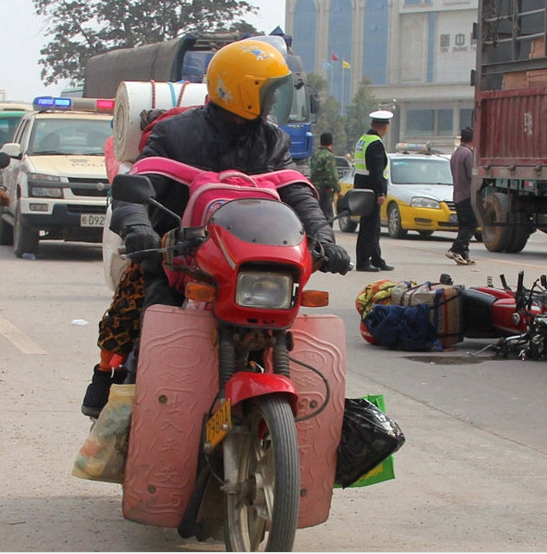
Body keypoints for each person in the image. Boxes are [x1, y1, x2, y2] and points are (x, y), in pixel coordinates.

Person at [81, 39, 351, 418]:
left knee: (302, 328)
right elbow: (136, 191)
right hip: (179, 257)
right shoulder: (173, 134)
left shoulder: (273, 140)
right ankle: (131, 419)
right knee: (155, 326)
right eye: (268, 90)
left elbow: (297, 193)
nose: (275, 100)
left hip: (251, 259)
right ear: (242, 90)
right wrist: (139, 229)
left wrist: (324, 239)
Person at [353, 110, 394, 272]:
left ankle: (376, 258)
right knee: (369, 227)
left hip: (362, 186)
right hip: (371, 190)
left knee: (373, 226)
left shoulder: (363, 139)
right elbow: (376, 170)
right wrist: (380, 193)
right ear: (385, 127)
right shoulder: (376, 143)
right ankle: (363, 261)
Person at [445, 127, 478, 265]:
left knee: (463, 225)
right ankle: (456, 248)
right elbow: (472, 175)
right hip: (467, 195)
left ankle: (464, 254)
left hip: (457, 194)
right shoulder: (468, 154)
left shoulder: (456, 153)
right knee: (471, 224)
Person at [309, 132, 342, 223]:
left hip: (314, 189)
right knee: (327, 217)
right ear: (331, 143)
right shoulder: (329, 156)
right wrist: (338, 190)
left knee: (315, 215)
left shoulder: (315, 154)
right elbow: (332, 175)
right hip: (324, 190)